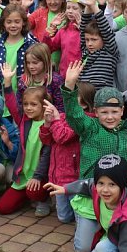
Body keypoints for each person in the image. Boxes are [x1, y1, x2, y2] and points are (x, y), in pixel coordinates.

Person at [61, 61, 127, 252]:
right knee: (83, 248)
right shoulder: (90, 128)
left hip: (115, 198)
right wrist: (69, 86)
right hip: (90, 193)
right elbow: (74, 115)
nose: (110, 117)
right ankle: (84, 220)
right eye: (104, 112)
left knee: (112, 241)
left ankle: (105, 233)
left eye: (114, 112)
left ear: (121, 111)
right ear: (95, 112)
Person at [0, 70, 52, 217]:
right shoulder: (25, 121)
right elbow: (12, 105)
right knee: (3, 207)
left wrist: (38, 176)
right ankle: (26, 196)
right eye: (26, 104)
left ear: (44, 105)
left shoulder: (49, 124)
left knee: (33, 191)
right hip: (23, 177)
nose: (28, 108)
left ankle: (43, 199)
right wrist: (7, 82)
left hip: (40, 176)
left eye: (34, 104)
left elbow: (47, 154)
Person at [38, 84, 94, 223]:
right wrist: (47, 123)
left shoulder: (84, 120)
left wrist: (56, 120)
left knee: (78, 212)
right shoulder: (62, 116)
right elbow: (46, 140)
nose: (68, 101)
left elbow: (62, 137)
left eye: (73, 99)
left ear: (85, 104)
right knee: (63, 217)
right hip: (57, 175)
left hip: (72, 177)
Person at [0, 4, 38, 92]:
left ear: (24, 22)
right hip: (1, 92)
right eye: (9, 22)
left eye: (17, 22)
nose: (13, 25)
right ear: (3, 23)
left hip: (25, 92)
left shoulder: (31, 43)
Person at [78, 0, 119, 89]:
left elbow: (105, 28)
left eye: (94, 40)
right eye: (87, 40)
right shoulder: (85, 51)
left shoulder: (109, 50)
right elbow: (84, 27)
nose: (89, 43)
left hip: (102, 97)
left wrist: (94, 6)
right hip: (84, 95)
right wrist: (88, 5)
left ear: (104, 39)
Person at [43, 0, 84, 77]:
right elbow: (48, 49)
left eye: (75, 8)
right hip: (63, 75)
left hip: (81, 76)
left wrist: (82, 28)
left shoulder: (88, 30)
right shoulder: (63, 30)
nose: (70, 11)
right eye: (68, 8)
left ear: (83, 10)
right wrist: (49, 31)